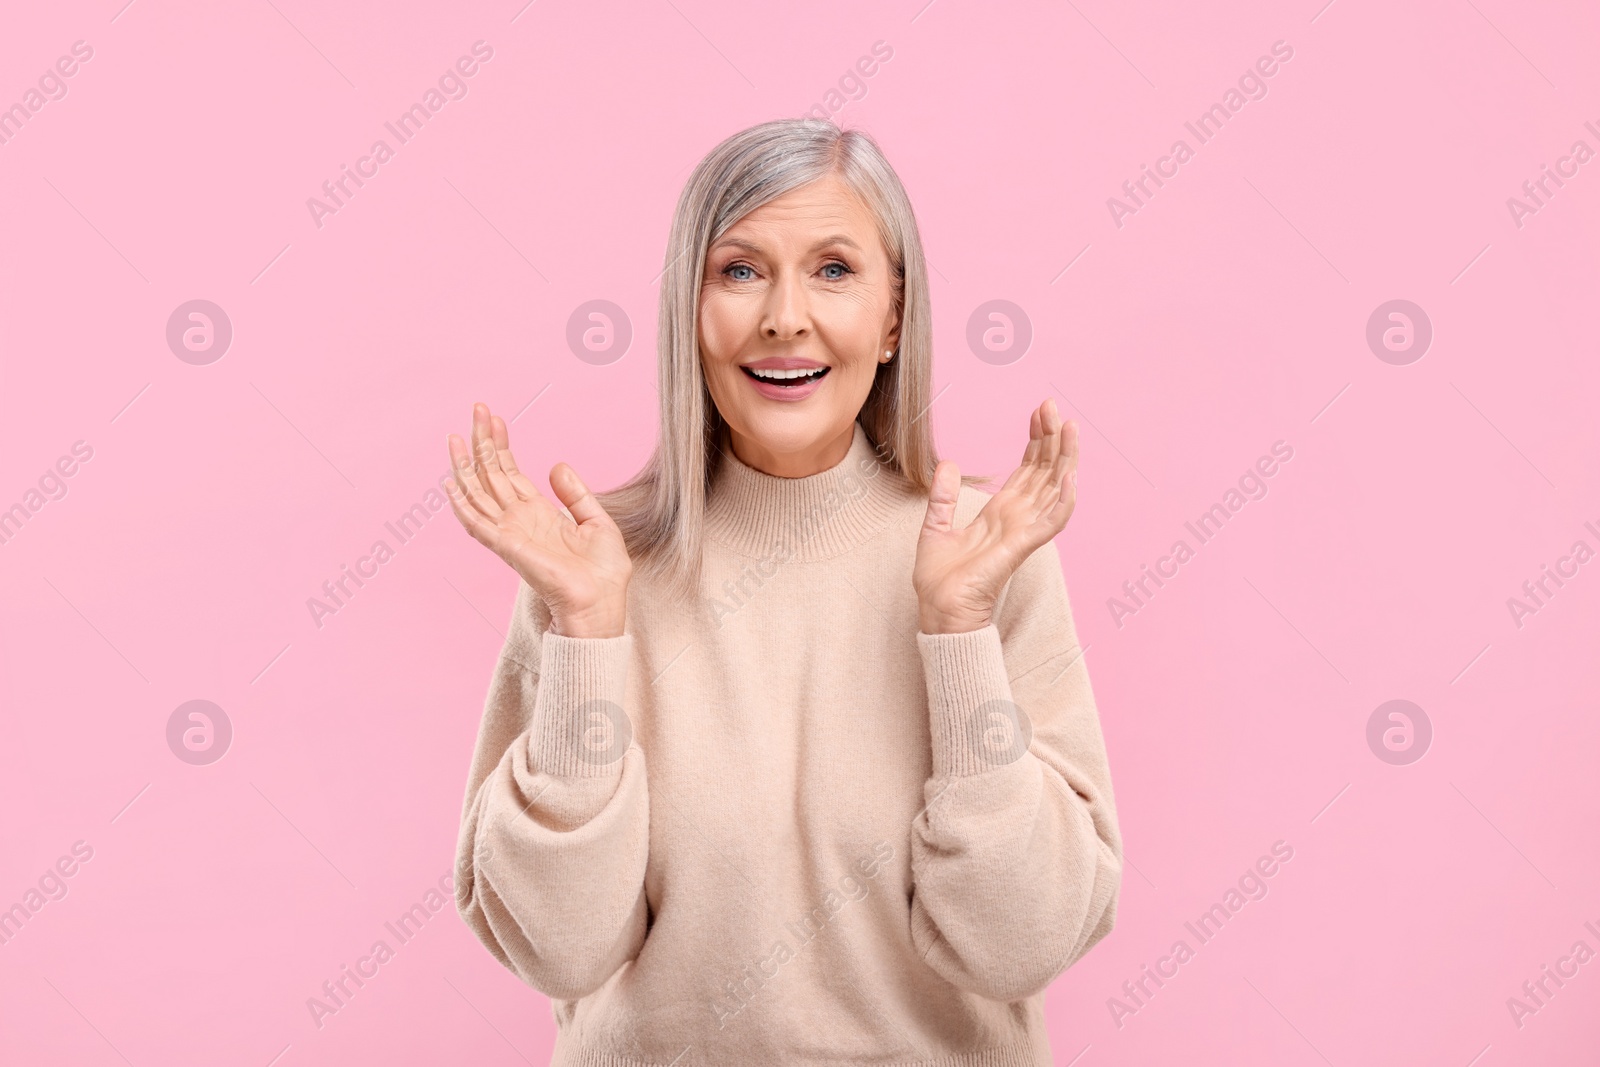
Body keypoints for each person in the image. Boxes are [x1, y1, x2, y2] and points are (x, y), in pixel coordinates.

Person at [446, 118, 1122, 1065]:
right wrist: (591, 631)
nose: (784, 317)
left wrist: (957, 630)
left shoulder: (983, 553)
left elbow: (1021, 945)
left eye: (835, 269)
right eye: (739, 270)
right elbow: (561, 949)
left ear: (893, 318)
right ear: (689, 310)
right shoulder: (593, 564)